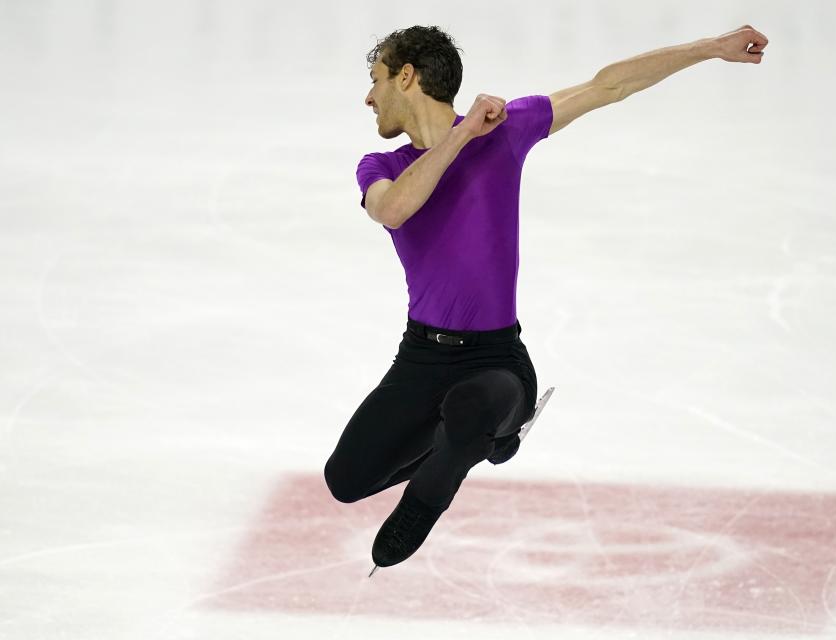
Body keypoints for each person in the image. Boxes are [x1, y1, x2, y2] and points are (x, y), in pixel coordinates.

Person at [324, 24, 768, 573]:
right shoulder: (381, 166)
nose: (369, 97)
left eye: (376, 79)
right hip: (422, 359)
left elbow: (607, 87)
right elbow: (394, 211)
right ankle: (483, 440)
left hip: (494, 361)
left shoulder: (506, 132)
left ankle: (438, 487)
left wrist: (708, 48)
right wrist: (462, 137)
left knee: (470, 410)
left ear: (407, 76)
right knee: (345, 480)